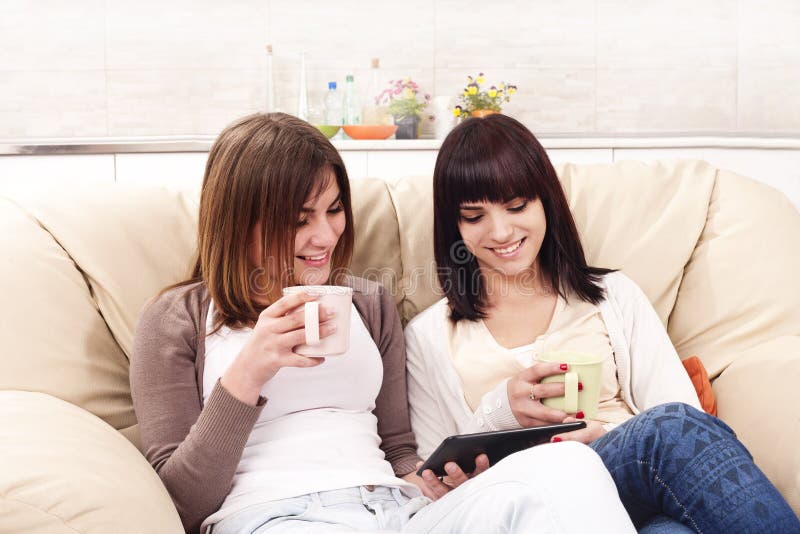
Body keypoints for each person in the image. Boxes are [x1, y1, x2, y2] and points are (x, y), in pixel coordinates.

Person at [130, 112, 637, 534]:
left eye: (333, 211)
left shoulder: (368, 304)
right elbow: (181, 503)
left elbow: (398, 449)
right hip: (275, 517)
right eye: (299, 219)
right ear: (239, 220)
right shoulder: (178, 318)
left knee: (565, 466)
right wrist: (248, 373)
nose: (325, 235)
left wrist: (433, 480)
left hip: (397, 513)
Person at [405, 114, 800, 533]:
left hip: (627, 478)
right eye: (474, 215)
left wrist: (601, 435)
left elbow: (683, 417)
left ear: (546, 201)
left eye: (517, 206)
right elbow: (433, 476)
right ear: (454, 225)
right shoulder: (429, 335)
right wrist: (499, 413)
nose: (501, 231)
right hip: (529, 499)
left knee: (671, 470)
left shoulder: (613, 295)